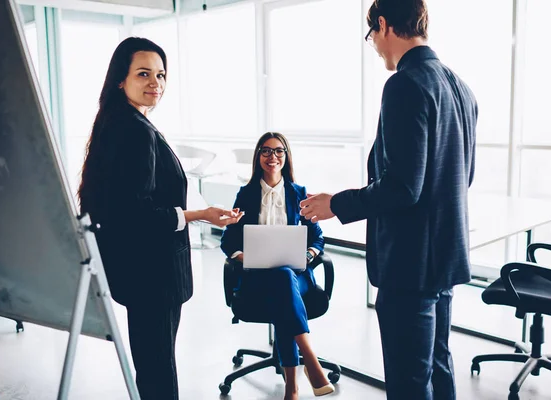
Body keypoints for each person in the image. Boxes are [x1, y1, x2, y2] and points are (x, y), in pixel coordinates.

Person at [300, 1, 478, 399]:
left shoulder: (405, 84)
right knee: (438, 366)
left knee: (409, 382)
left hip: (410, 265)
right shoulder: (459, 86)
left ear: (382, 25)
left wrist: (337, 204)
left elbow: (402, 187)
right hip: (444, 259)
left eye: (372, 37)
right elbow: (463, 175)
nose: (376, 47)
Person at [77, 37, 243, 400]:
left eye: (161, 74)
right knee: (158, 370)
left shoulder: (119, 122)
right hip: (154, 274)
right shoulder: (136, 131)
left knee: (151, 365)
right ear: (121, 79)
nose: (156, 83)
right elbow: (136, 214)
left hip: (138, 273)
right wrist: (199, 214)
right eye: (144, 74)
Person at [220, 132, 335, 400]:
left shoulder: (298, 194)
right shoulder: (246, 195)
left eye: (279, 151)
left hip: (298, 276)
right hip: (257, 277)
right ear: (258, 157)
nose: (273, 157)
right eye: (266, 151)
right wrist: (244, 257)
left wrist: (307, 255)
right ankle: (308, 362)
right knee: (281, 281)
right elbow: (229, 240)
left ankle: (292, 387)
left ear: (286, 156)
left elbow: (317, 237)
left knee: (283, 279)